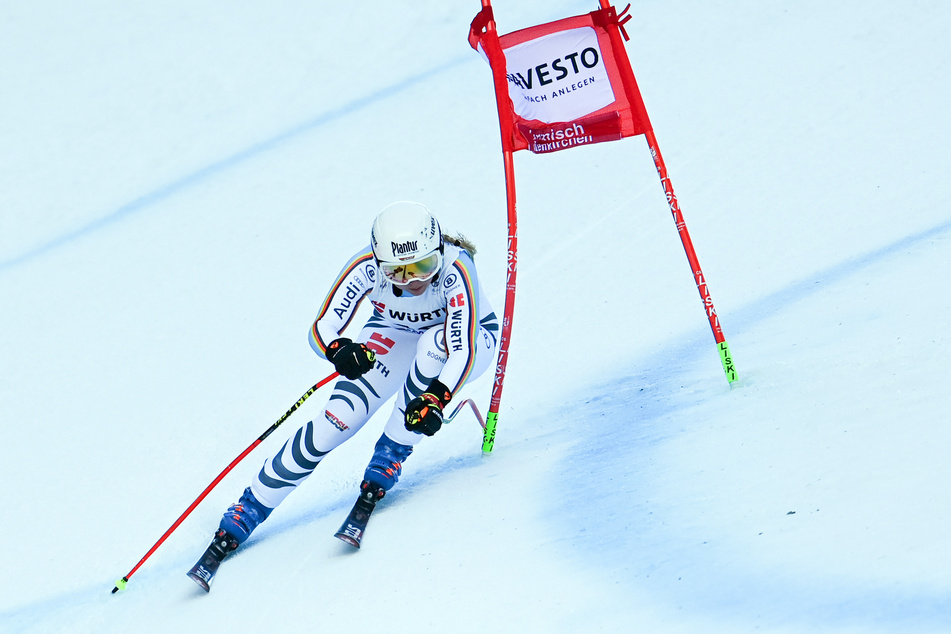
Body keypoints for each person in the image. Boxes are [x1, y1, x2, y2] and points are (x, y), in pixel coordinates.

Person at [189, 201, 498, 588]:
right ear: (379, 262)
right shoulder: (364, 268)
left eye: (422, 267)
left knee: (434, 348)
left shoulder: (455, 270)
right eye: (398, 272)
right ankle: (248, 508)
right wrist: (339, 350)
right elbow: (321, 328)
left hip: (464, 341)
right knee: (334, 424)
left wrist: (437, 396)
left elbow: (462, 347)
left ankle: (390, 455)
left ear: (437, 252)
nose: (412, 280)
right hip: (394, 333)